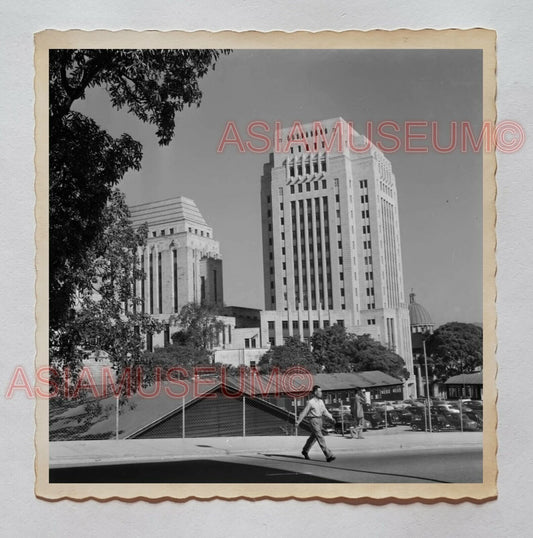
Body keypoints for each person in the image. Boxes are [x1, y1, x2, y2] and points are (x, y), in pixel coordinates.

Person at [295, 385, 336, 462]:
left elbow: (325, 411)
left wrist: (331, 418)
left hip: (320, 420)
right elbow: (304, 412)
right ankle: (328, 455)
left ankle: (305, 450)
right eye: (319, 391)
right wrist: (298, 421)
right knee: (320, 437)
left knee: (313, 438)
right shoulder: (310, 402)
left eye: (321, 391)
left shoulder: (321, 402)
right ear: (315, 392)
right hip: (313, 420)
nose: (321, 393)